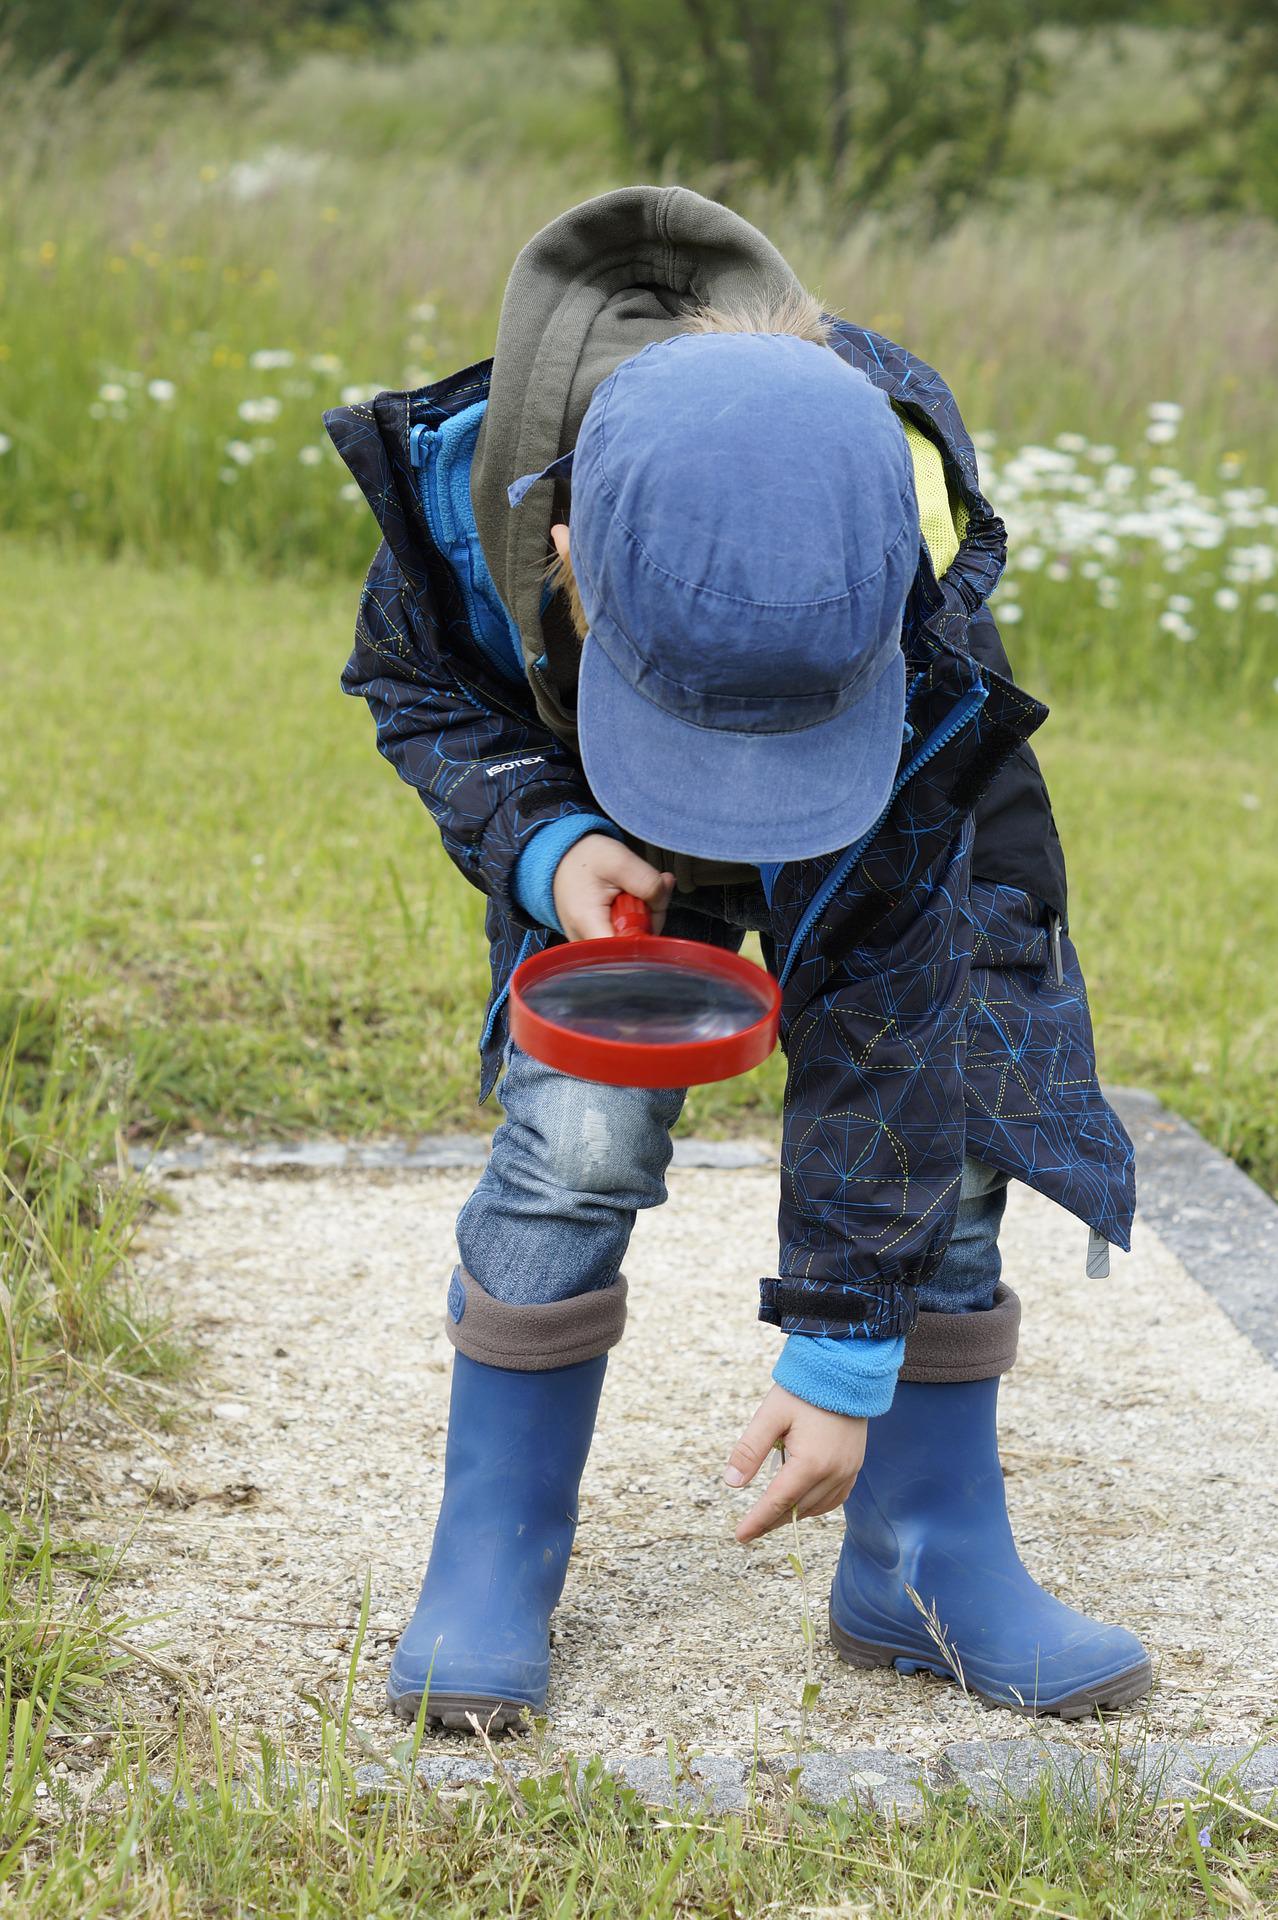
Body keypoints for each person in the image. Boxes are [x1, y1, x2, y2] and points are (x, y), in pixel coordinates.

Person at [327, 186, 1149, 1732]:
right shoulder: (461, 497)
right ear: (560, 543)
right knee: (576, 1129)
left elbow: (895, 1019)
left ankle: (919, 1559)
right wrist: (542, 840)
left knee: (954, 1111)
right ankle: (492, 1554)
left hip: (867, 768)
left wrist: (842, 1350)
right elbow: (413, 692)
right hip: (598, 807)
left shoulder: (888, 546)